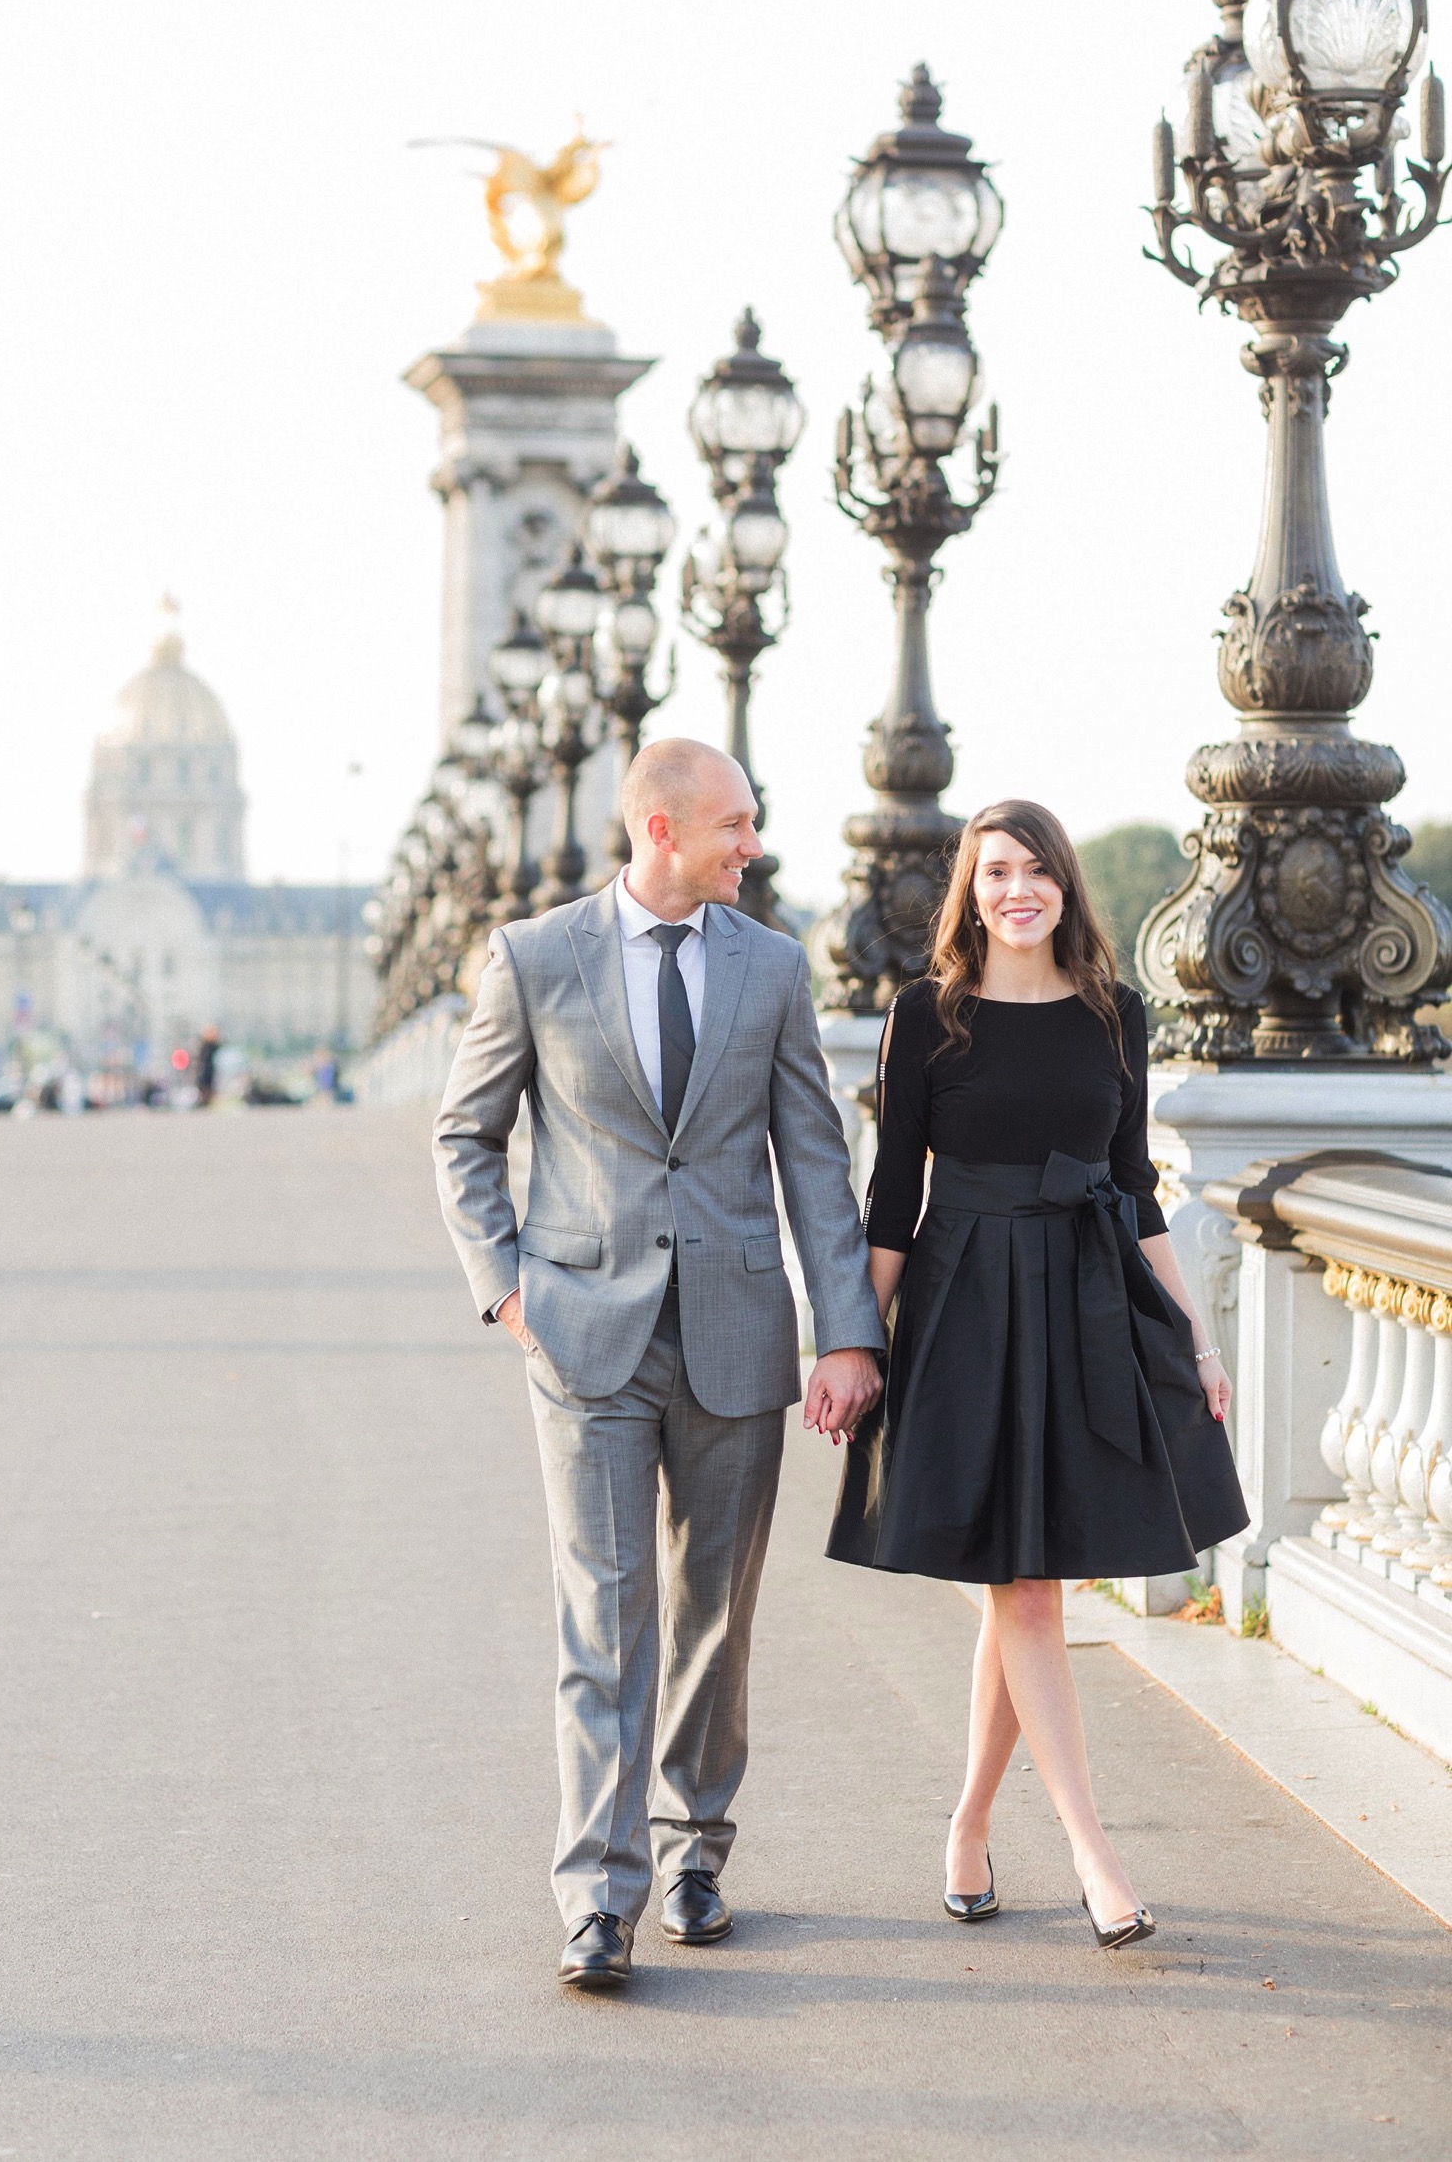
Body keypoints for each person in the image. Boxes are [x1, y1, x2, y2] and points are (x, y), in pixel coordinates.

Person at [436, 738, 885, 1992]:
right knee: (605, 1616)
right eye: (735, 824)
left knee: (712, 1616)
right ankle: (598, 1895)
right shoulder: (534, 958)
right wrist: (507, 1286)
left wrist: (846, 1330)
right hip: (583, 1336)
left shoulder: (772, 967)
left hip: (739, 1336)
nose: (754, 843)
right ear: (659, 829)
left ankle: (694, 1846)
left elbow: (812, 1161)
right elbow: (464, 1134)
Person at [824, 799, 1247, 1951]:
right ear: (971, 891)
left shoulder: (1117, 1015)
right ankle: (1091, 1854)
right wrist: (854, 1342)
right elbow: (890, 1200)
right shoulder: (927, 1017)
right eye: (995, 872)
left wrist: (1196, 1341)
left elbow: (1134, 1184)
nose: (1018, 889)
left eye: (1036, 870)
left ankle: (966, 1826)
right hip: (964, 1308)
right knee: (1025, 1589)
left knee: (1028, 1584)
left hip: (1084, 1301)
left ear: (1064, 884)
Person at [195, 1026, 221, 1107]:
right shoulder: (204, 1045)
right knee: (202, 1084)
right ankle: (203, 1100)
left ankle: (207, 1101)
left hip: (210, 1069)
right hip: (204, 1068)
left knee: (208, 1084)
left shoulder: (213, 1045)